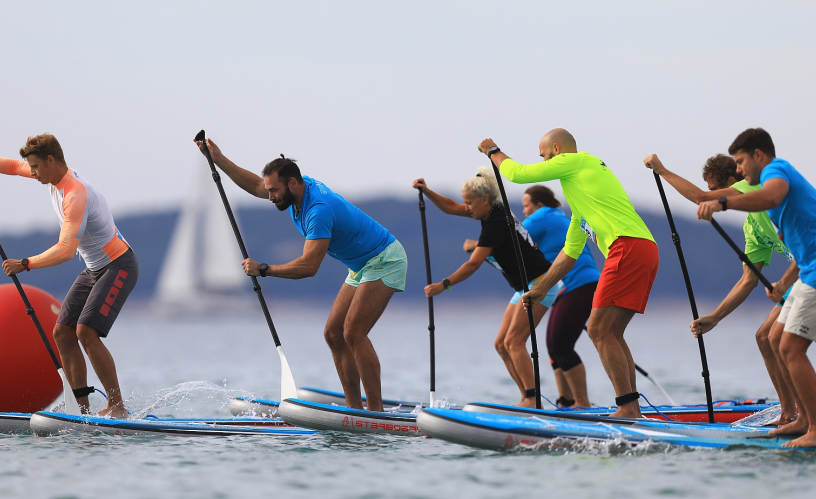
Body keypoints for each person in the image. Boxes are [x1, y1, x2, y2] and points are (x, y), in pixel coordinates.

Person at [198, 138, 405, 412]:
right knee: (333, 334)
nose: (269, 197)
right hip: (361, 265)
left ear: (293, 184)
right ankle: (355, 410)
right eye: (269, 191)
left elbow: (309, 267)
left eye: (274, 191)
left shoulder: (318, 210)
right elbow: (255, 185)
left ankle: (375, 412)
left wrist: (264, 269)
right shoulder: (296, 184)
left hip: (385, 259)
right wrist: (219, 159)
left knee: (353, 332)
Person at [0, 134, 138, 418]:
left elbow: (64, 250)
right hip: (94, 268)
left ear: (51, 161)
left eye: (35, 167)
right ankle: (82, 410)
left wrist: (25, 263)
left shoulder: (75, 194)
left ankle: (117, 405)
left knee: (86, 331)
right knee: (62, 332)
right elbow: (13, 166)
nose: (32, 173)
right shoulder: (50, 176)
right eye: (31, 167)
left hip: (118, 266)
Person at [480, 129, 659, 418]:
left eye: (544, 156)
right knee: (612, 331)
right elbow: (568, 254)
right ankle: (632, 408)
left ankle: (627, 407)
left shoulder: (576, 161)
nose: (544, 162)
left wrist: (493, 151)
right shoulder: (580, 201)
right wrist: (541, 288)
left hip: (626, 248)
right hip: (643, 249)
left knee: (599, 329)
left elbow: (518, 173)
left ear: (557, 149)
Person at [697, 128, 816, 448]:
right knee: (773, 338)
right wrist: (715, 317)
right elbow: (758, 269)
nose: (738, 169)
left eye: (741, 162)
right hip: (812, 268)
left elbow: (769, 196)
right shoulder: (765, 203)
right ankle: (800, 419)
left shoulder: (776, 170)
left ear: (758, 155)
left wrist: (720, 202)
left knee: (790, 348)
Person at [644, 153, 800, 425]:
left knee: (773, 338)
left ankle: (804, 416)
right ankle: (790, 412)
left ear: (732, 182)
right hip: (797, 280)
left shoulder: (750, 188)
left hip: (812, 272)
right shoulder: (752, 225)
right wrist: (714, 317)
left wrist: (663, 170)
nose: (714, 198)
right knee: (764, 337)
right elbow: (748, 279)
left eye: (715, 190)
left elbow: (700, 199)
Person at [414, 169, 561, 409]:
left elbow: (474, 263)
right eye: (466, 203)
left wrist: (444, 285)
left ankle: (533, 401)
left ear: (484, 199)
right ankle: (527, 397)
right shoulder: (487, 210)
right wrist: (427, 191)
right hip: (523, 285)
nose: (467, 208)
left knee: (514, 342)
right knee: (501, 345)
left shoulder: (496, 223)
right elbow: (451, 206)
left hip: (541, 283)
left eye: (470, 203)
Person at [521, 185, 601, 408]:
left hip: (581, 284)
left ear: (539, 205)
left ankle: (582, 403)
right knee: (553, 346)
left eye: (526, 206)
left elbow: (511, 238)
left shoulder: (543, 216)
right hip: (572, 288)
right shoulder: (560, 216)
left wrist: (477, 248)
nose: (524, 211)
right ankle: (566, 401)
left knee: (561, 344)